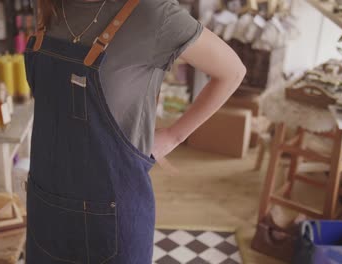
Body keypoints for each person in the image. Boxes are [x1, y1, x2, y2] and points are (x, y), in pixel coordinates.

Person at [24, 0, 246, 263]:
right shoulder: (51, 7)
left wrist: (174, 136)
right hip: (46, 208)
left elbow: (232, 71)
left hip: (112, 221)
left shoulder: (152, 12)